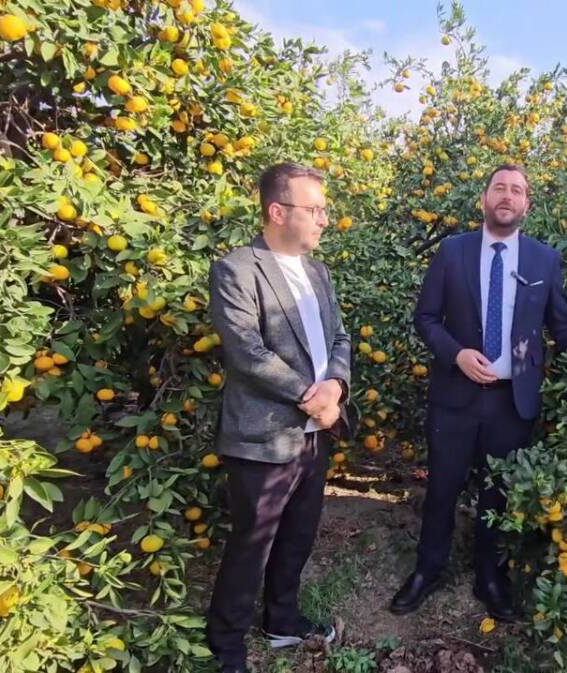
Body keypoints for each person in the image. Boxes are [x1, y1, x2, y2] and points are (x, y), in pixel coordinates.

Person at [389, 164, 567, 622]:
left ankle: (491, 577)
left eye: (517, 190)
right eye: (499, 188)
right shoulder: (453, 251)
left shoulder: (544, 260)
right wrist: (457, 354)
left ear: (527, 204)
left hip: (512, 400)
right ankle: (428, 569)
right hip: (455, 395)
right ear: (484, 199)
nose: (507, 196)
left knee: (498, 493)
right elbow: (425, 318)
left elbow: (563, 327)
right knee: (442, 487)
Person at [205, 162, 351, 672]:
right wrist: (310, 394)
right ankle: (226, 643)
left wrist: (336, 386)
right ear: (277, 211)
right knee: (253, 543)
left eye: (324, 210)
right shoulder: (237, 269)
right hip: (264, 436)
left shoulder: (318, 273)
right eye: (315, 209)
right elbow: (247, 352)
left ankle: (281, 619)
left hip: (315, 433)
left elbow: (340, 337)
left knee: (298, 534)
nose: (324, 219)